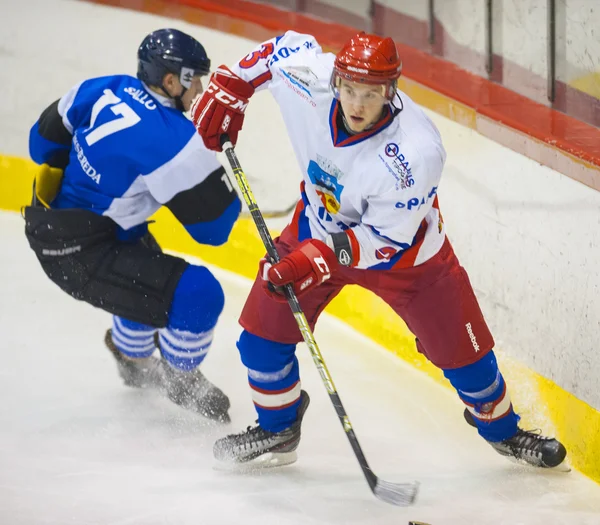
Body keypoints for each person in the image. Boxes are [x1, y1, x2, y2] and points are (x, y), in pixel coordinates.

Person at [190, 30, 567, 468]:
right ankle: (278, 429)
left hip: (407, 258)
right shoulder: (309, 80)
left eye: (370, 94)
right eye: (348, 89)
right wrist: (233, 85)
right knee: (261, 336)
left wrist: (316, 259)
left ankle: (504, 431)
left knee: (465, 357)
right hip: (315, 228)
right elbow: (281, 47)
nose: (356, 104)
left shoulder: (415, 152)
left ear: (390, 91)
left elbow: (385, 241)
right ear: (335, 80)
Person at [24, 28, 242, 423]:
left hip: (58, 222)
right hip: (82, 252)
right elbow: (213, 231)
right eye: (197, 80)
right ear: (172, 80)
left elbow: (40, 145)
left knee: (146, 272)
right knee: (199, 294)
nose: (201, 92)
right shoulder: (176, 140)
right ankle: (179, 376)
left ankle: (131, 357)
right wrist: (208, 164)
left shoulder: (105, 86)